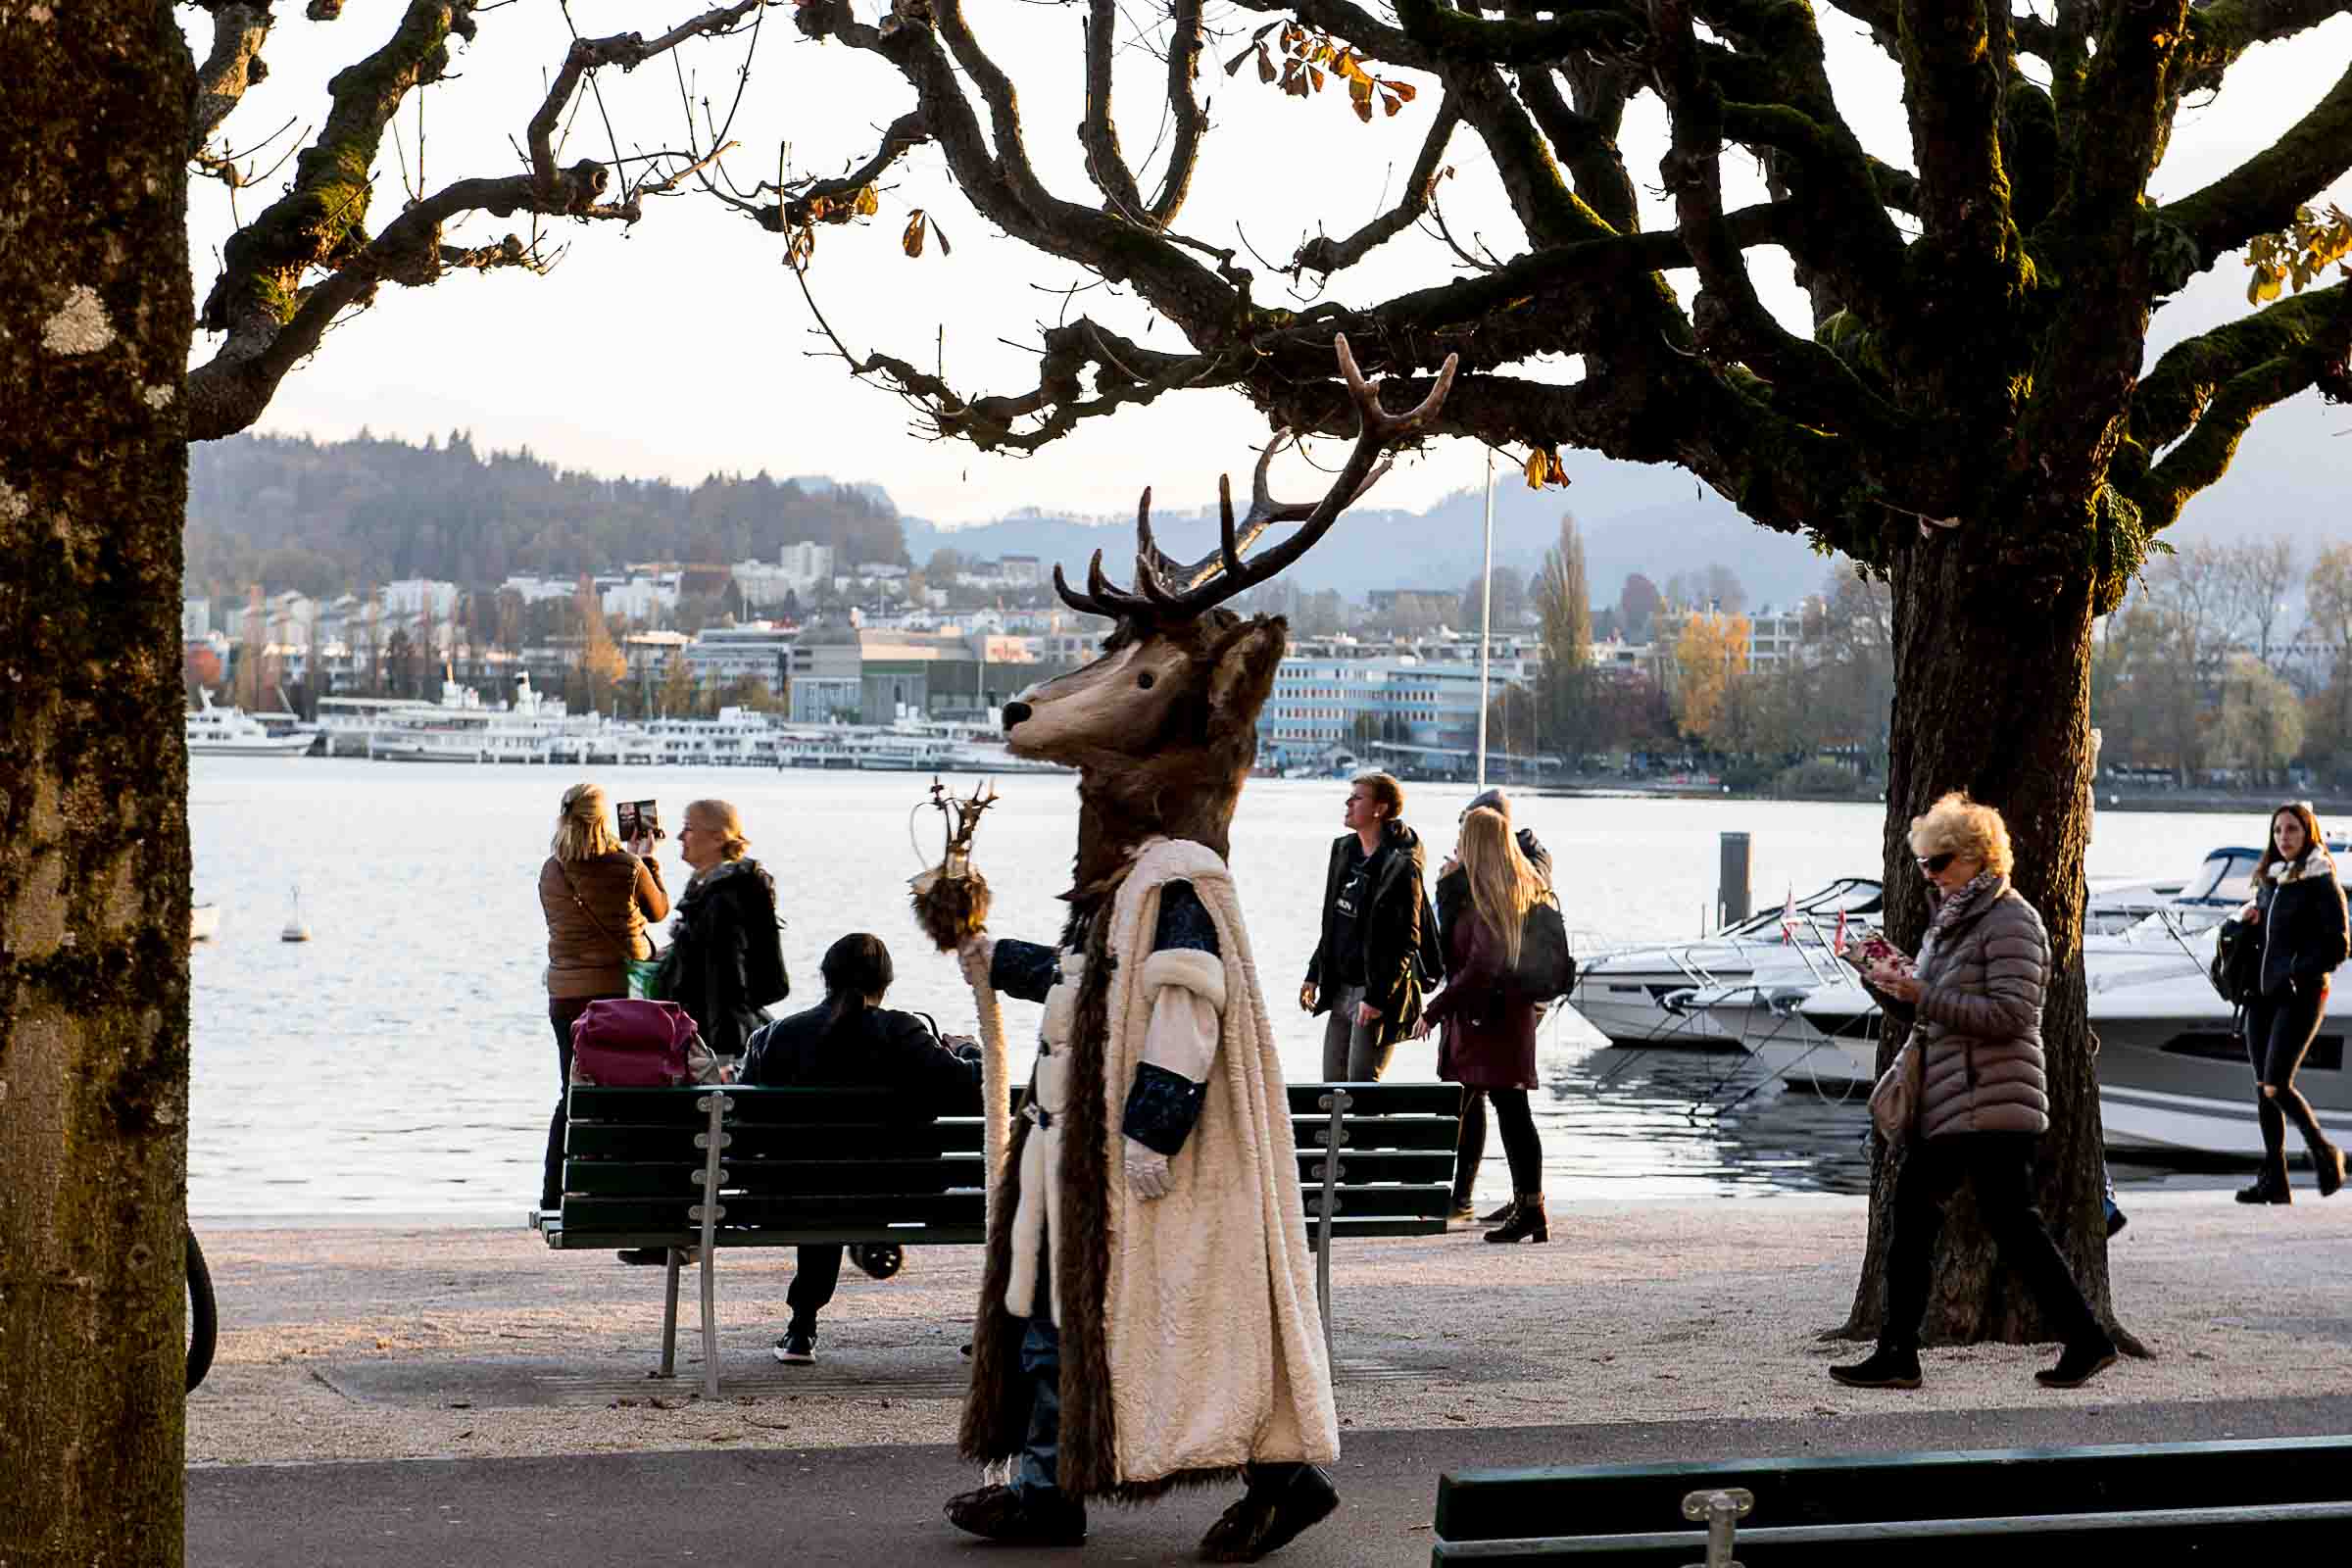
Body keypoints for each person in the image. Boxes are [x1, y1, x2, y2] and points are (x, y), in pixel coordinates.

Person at [1831, 792, 2119, 1392]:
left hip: (1992, 1099)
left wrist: (1924, 997)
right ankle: (1904, 1350)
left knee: (1991, 1223)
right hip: (1957, 1098)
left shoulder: (2012, 919)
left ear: (1978, 859)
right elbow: (1936, 1013)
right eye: (1924, 864)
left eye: (1939, 863)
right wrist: (1889, 984)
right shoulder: (1954, 921)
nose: (1929, 875)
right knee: (1949, 1220)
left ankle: (1903, 1353)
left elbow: (2013, 1015)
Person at [740, 934, 983, 1364]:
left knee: (820, 1177)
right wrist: (966, 1049)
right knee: (847, 1177)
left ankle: (801, 1328)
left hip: (790, 1198)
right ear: (886, 981)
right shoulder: (904, 1032)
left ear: (825, 978)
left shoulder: (776, 1036)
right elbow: (971, 1093)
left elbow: (743, 1123)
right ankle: (868, 1238)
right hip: (900, 1194)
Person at [1411, 808, 1553, 1244]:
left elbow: (1479, 967)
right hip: (1506, 1019)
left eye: (1462, 836)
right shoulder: (1517, 887)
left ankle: (1447, 1200)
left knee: (1483, 1108)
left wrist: (1433, 1011)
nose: (1456, 843)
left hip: (1486, 1022)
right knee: (1510, 1112)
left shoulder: (1489, 896)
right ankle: (1530, 1207)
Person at [537, 782, 666, 1214]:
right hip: (617, 997)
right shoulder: (628, 867)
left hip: (566, 998)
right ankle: (618, 1191)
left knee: (570, 1094)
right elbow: (659, 911)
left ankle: (553, 1193)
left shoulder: (550, 871)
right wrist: (648, 858)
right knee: (625, 1093)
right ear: (605, 819)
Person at [2230, 801, 2348, 1203]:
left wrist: (2297, 969)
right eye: (2278, 831)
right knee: (2264, 1087)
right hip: (2261, 996)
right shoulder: (2272, 879)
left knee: (2278, 1085)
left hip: (2300, 994)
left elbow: (2340, 944)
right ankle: (2275, 1179)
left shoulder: (2320, 879)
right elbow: (2268, 934)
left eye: (2292, 830)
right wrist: (2248, 922)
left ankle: (2323, 1151)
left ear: (2308, 832)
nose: (2284, 838)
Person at [1300, 770, 1441, 1082]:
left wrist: (1377, 998)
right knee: (1332, 1087)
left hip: (1375, 992)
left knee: (1363, 1088)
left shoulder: (1402, 865)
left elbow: (1408, 940)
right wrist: (1314, 973)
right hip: (1339, 985)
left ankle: (1382, 1133)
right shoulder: (1343, 851)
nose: (1348, 803)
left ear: (1380, 808)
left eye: (1357, 797)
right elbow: (1334, 923)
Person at [664, 798, 789, 1060]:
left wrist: (721, 1053)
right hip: (711, 1033)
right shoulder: (715, 890)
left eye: (688, 828)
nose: (679, 836)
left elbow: (725, 980)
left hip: (717, 1042)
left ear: (718, 838)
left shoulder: (723, 899)